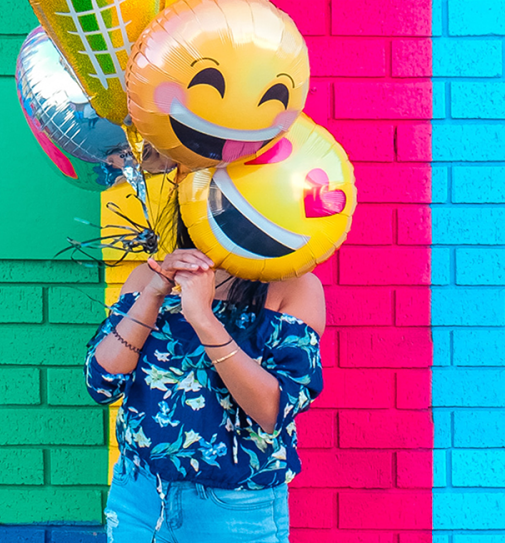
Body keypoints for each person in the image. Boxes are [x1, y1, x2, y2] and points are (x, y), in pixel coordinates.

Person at [84, 221, 325, 542]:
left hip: (234, 508)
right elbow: (101, 384)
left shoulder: (293, 287)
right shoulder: (147, 278)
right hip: (139, 496)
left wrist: (201, 316)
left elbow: (272, 411)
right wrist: (154, 292)